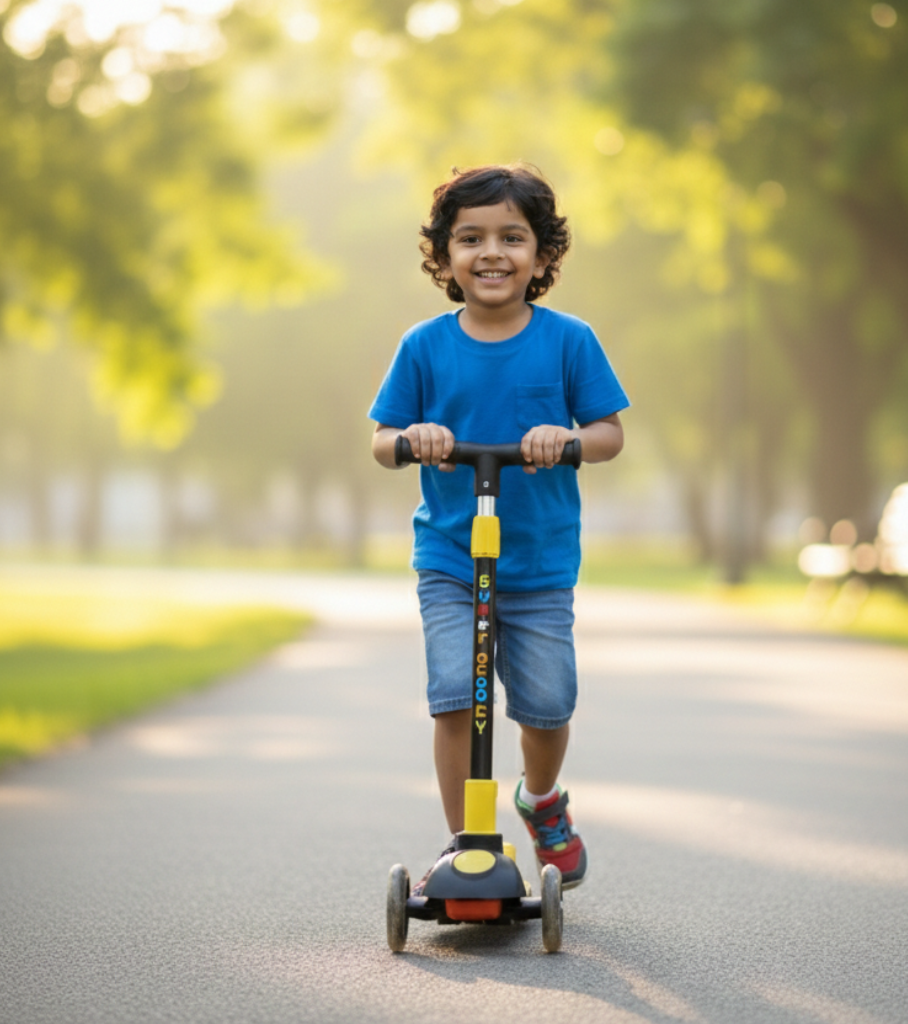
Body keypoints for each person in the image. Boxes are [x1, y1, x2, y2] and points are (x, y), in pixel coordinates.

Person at [369, 164, 628, 893]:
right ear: (445, 256)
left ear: (542, 257)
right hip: (452, 555)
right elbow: (381, 439)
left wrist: (566, 437)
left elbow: (609, 433)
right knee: (456, 692)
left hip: (539, 564)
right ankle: (467, 844)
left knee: (546, 706)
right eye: (471, 237)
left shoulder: (569, 341)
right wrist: (412, 437)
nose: (492, 252)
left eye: (513, 237)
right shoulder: (423, 346)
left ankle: (540, 800)